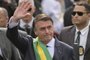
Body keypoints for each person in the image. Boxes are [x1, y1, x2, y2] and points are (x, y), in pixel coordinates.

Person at [6, 1, 75, 60]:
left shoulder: (67, 50)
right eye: (42, 29)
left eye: (49, 27)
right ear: (35, 31)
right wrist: (15, 20)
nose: (47, 31)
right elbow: (12, 36)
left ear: (53, 27)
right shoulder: (29, 45)